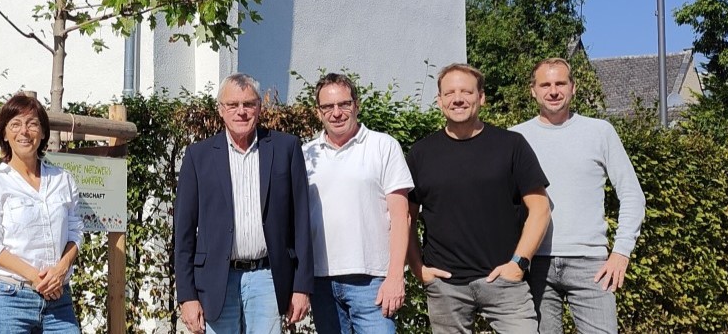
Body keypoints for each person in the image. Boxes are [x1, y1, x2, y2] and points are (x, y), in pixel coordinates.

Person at [406, 63, 550, 334]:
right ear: (439, 101)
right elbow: (406, 219)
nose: (457, 98)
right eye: (449, 93)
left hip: (505, 282)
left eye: (466, 91)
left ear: (481, 97)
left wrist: (518, 264)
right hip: (446, 287)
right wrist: (418, 269)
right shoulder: (420, 154)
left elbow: (540, 209)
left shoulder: (511, 145)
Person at [511, 58, 646, 334]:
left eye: (560, 83)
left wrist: (621, 252)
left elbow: (632, 194)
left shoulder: (600, 132)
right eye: (545, 84)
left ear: (573, 87)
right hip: (534, 263)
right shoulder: (515, 138)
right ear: (533, 90)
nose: (553, 91)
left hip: (590, 264)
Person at [174, 73, 313, 334]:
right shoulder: (198, 156)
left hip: (267, 278)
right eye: (233, 105)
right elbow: (183, 233)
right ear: (220, 110)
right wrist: (186, 295)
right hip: (217, 279)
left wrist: (302, 286)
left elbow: (302, 221)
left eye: (248, 104)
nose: (241, 112)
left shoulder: (286, 148)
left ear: (260, 107)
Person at [304, 72, 413, 334]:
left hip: (372, 281)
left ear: (356, 105)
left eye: (344, 104)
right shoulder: (306, 154)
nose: (336, 113)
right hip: (321, 281)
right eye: (328, 107)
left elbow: (401, 217)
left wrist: (395, 276)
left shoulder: (383, 146)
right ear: (318, 112)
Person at [0, 93, 84, 334]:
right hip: (10, 301)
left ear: (43, 133)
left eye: (32, 123)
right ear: (4, 133)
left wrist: (61, 269)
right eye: (15, 124)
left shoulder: (63, 179)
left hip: (59, 300)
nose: (24, 131)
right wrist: (37, 277)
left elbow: (76, 232)